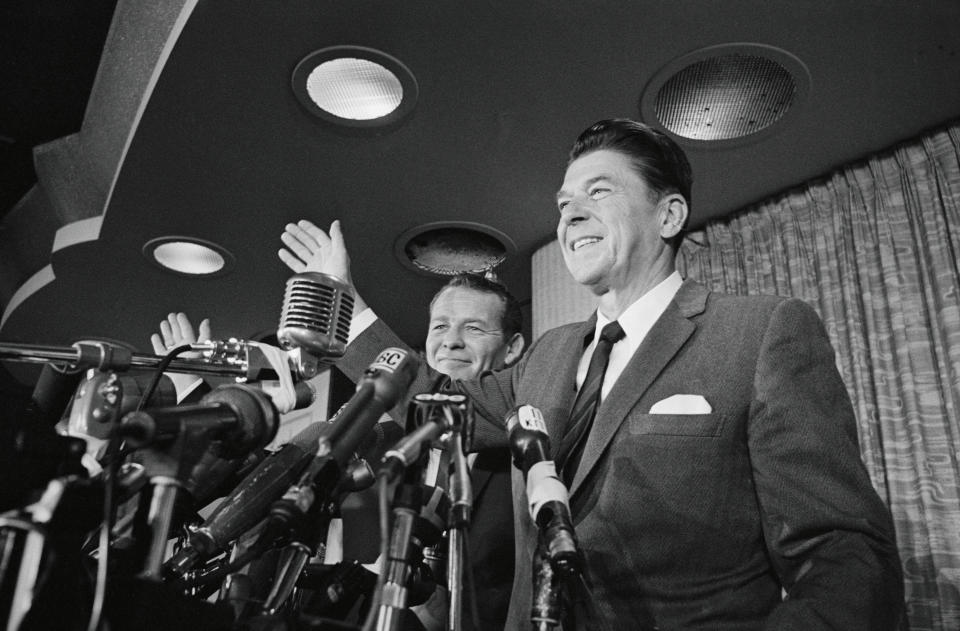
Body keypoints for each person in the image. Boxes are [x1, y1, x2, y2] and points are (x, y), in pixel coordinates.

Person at [278, 118, 904, 630]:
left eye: (598, 192)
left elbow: (843, 553)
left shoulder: (761, 333)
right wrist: (345, 303)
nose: (570, 213)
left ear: (669, 215)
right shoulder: (548, 355)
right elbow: (434, 402)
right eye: (564, 202)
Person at [150, 278, 525, 631]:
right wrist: (198, 398)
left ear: (513, 349)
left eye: (474, 328)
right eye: (440, 327)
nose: (451, 342)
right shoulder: (377, 432)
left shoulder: (523, 448)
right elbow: (268, 478)